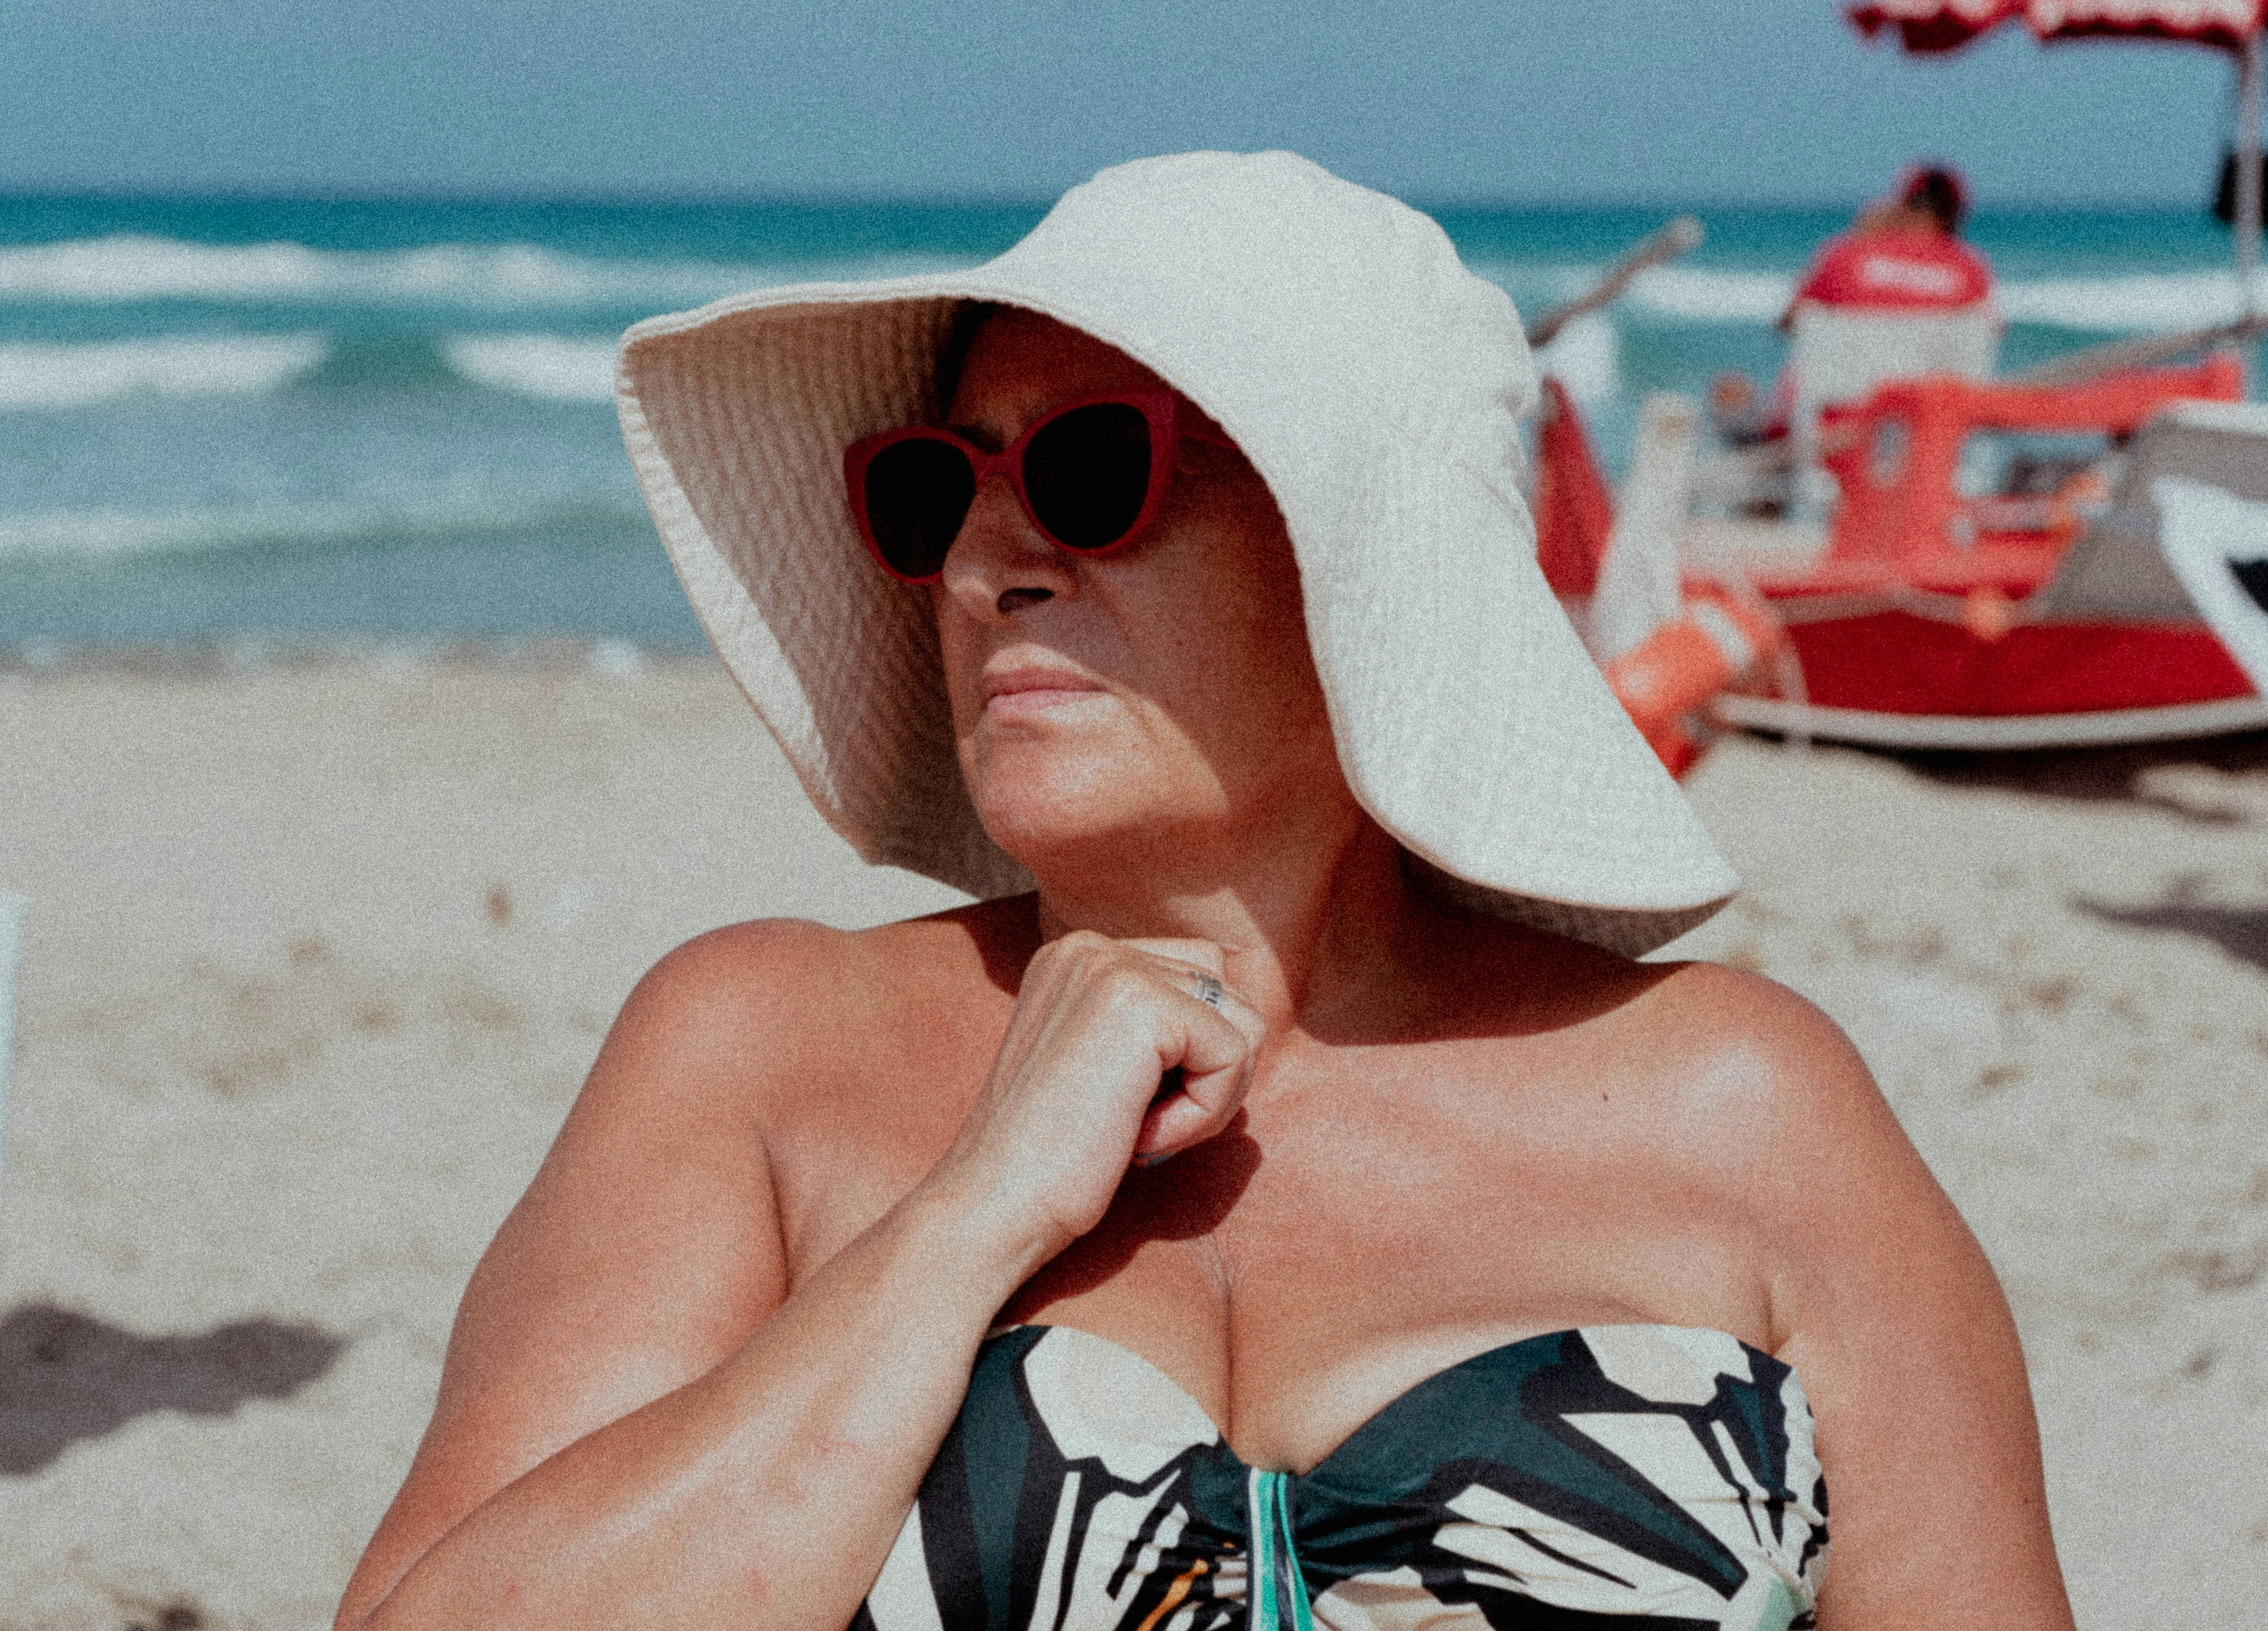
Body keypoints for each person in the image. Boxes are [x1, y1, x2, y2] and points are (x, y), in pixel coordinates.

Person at [334, 152, 2074, 1631]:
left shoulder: (1745, 1105)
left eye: (1093, 468)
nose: (980, 559)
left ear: (1369, 569)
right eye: (937, 484)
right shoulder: (758, 1048)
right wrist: (968, 1216)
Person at [1781, 164, 1993, 328]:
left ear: (1901, 205)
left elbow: (1789, 322)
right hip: (1926, 386)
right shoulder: (1970, 270)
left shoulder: (1845, 256)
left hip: (1838, 385)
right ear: (1956, 216)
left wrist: (1857, 235)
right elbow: (1990, 330)